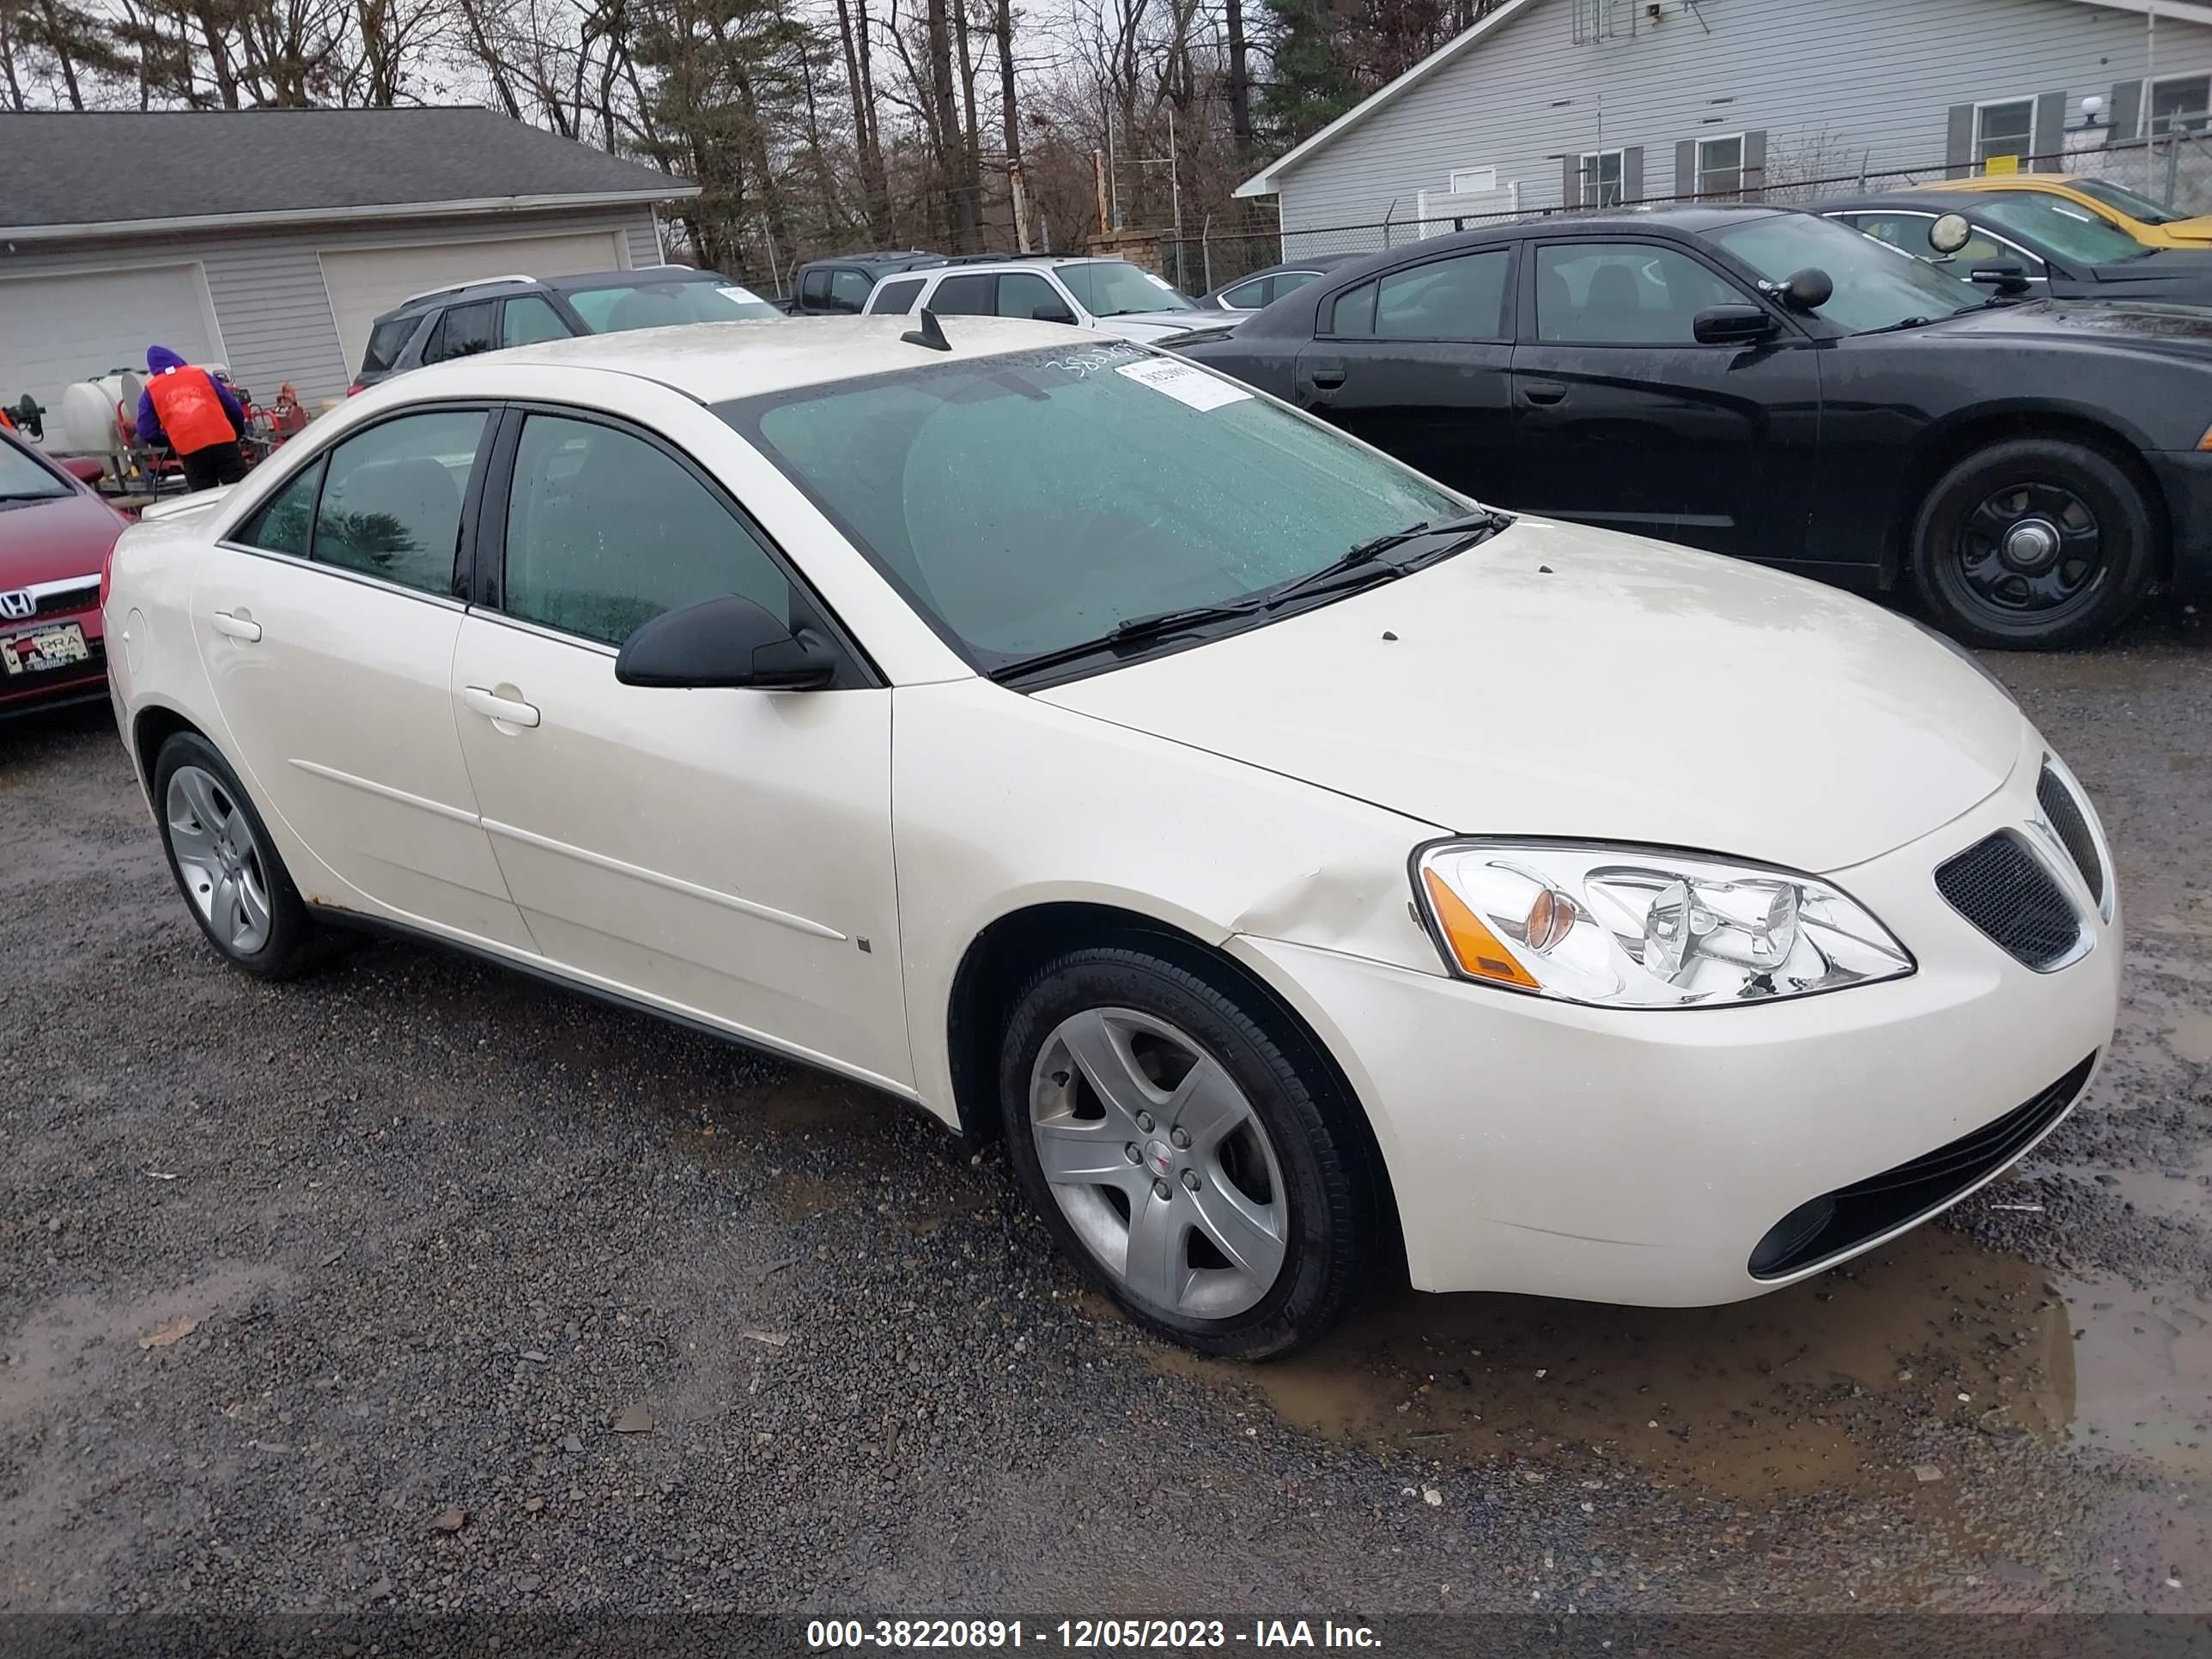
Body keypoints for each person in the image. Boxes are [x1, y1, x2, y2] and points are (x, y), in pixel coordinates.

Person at [137, 346, 248, 491]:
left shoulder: (151, 390)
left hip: (191, 451)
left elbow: (146, 432)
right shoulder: (200, 374)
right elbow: (232, 407)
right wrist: (238, 432)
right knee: (241, 491)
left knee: (204, 497)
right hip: (223, 442)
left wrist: (171, 440)